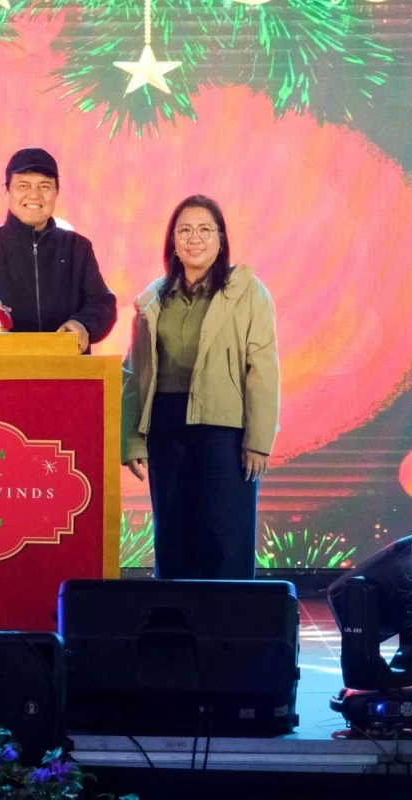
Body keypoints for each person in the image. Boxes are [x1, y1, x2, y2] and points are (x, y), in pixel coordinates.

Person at [120, 195, 280, 579]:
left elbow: (263, 367)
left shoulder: (248, 292)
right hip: (166, 428)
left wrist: (258, 439)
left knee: (225, 536)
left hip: (224, 430)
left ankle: (231, 630)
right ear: (172, 241)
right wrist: (131, 440)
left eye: (206, 229)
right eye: (185, 230)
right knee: (173, 535)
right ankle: (177, 630)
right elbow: (134, 372)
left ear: (221, 239)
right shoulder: (153, 299)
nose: (195, 238)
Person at [0, 147, 117, 353]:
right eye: (23, 185)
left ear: (57, 192)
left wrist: (83, 324)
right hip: (0, 371)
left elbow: (103, 304)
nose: (34, 195)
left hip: (67, 369)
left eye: (45, 186)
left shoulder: (78, 247)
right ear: (6, 191)